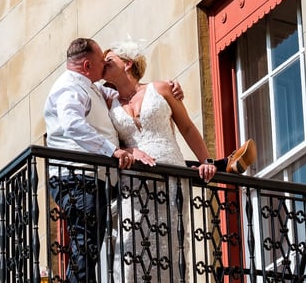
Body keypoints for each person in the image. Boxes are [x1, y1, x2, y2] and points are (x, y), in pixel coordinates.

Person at [102, 40, 256, 279]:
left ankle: (221, 164)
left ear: (127, 64)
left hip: (170, 172)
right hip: (133, 182)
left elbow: (186, 126)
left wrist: (206, 161)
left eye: (109, 60)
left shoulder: (161, 89)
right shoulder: (108, 103)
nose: (104, 64)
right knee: (131, 245)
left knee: (170, 240)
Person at [44, 38, 178, 283]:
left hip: (93, 177)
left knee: (92, 240)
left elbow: (123, 93)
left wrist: (169, 88)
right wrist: (112, 151)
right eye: (100, 63)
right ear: (87, 66)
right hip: (76, 177)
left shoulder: (92, 87)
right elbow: (72, 124)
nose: (103, 67)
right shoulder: (69, 88)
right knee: (86, 239)